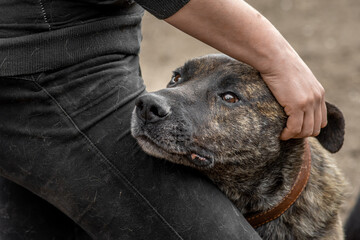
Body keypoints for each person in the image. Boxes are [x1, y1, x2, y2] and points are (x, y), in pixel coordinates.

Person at [0, 0, 326, 239]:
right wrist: (280, 59)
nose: (154, 103)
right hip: (49, 73)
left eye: (228, 98)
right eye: (176, 79)